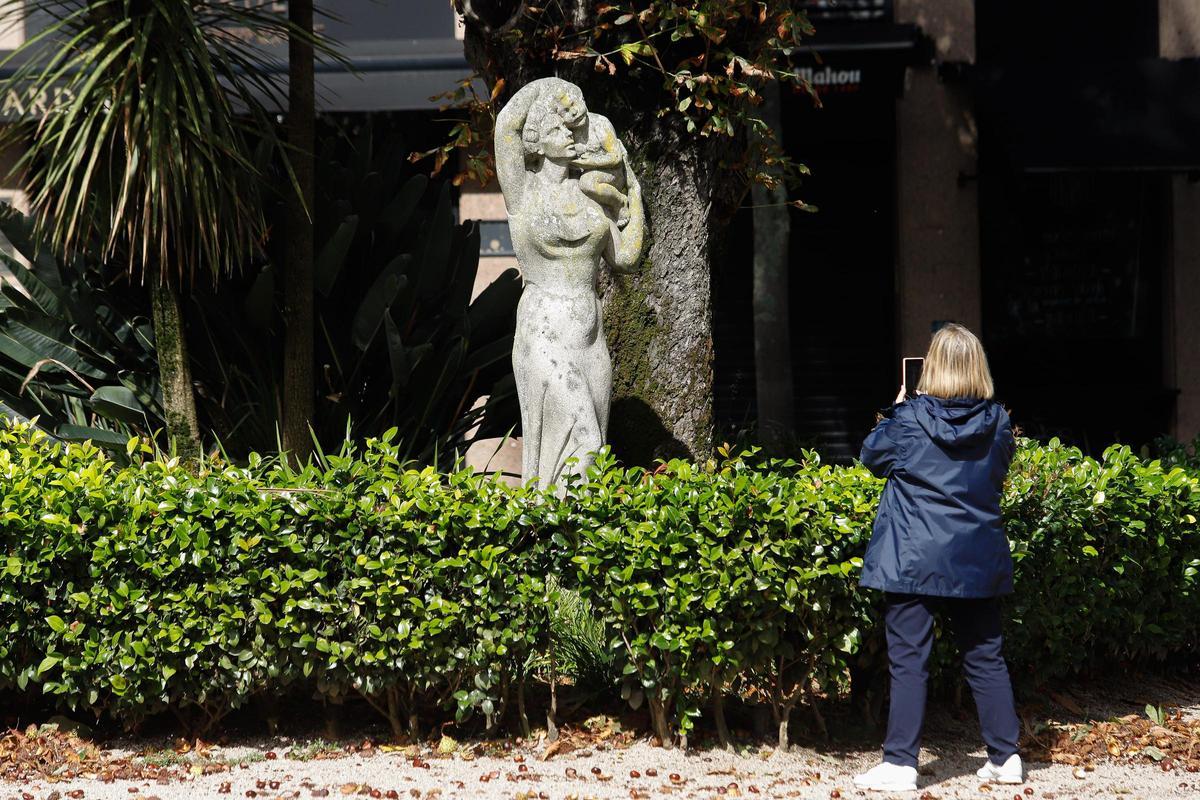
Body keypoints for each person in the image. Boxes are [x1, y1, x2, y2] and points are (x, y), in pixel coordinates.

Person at [853, 323, 1023, 792]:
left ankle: (901, 764)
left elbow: (870, 457)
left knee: (909, 660)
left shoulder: (909, 419)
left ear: (930, 368)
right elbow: (998, 472)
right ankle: (1006, 757)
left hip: (913, 554)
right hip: (975, 554)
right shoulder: (999, 423)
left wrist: (898, 408)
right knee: (985, 656)